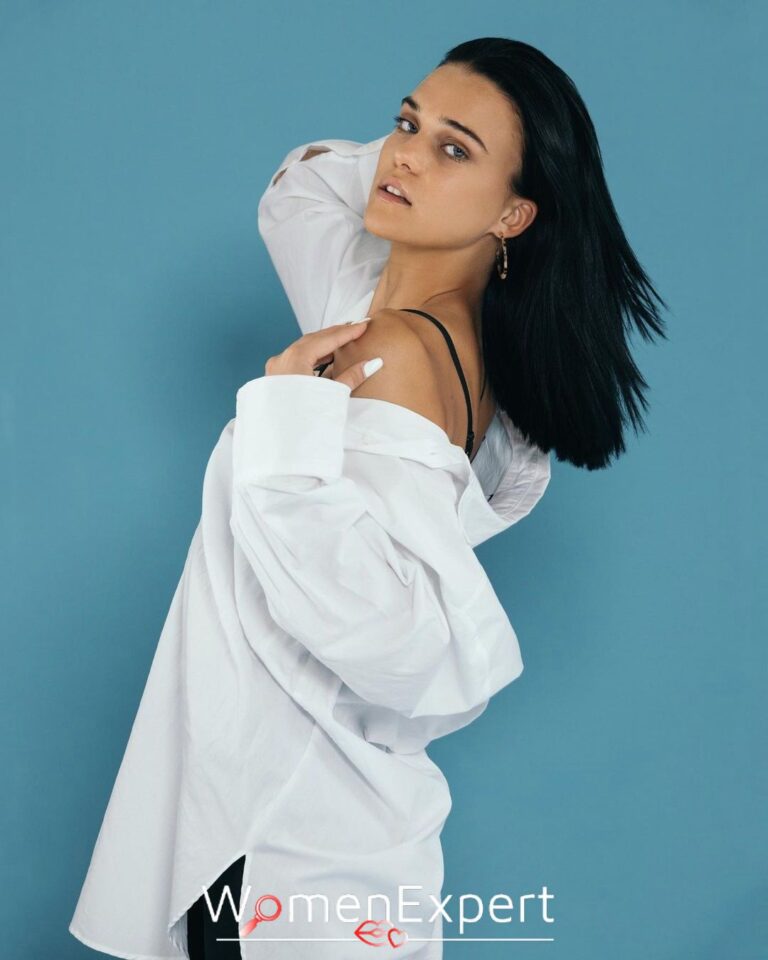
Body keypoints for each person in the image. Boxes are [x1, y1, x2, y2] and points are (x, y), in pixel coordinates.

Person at [69, 37, 667, 960]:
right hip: (309, 830)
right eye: (405, 123)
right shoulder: (387, 323)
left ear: (515, 212)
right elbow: (298, 190)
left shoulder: (386, 354)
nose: (404, 155)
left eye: (455, 148)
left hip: (279, 846)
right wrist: (426, 171)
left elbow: (395, 631)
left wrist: (282, 419)